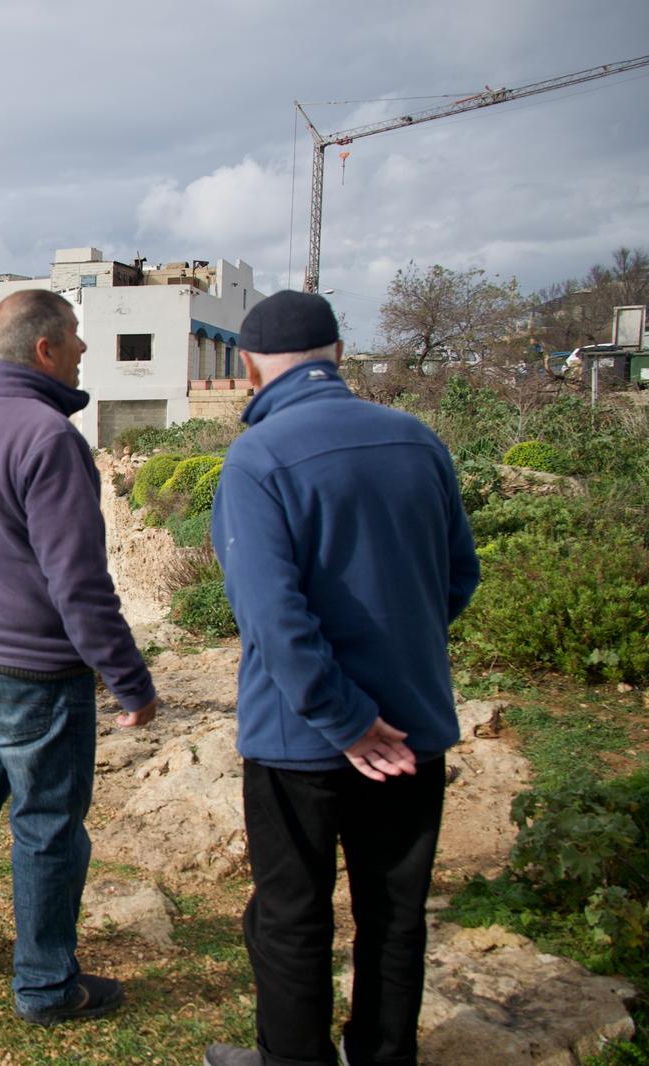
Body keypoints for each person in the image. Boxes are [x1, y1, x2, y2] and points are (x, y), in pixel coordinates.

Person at [202, 291, 480, 1066]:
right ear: (338, 355)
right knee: (395, 913)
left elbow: (270, 616)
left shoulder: (257, 458)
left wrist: (346, 715)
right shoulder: (418, 440)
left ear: (249, 367)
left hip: (300, 738)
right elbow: (457, 576)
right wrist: (393, 672)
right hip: (412, 730)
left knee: (293, 914)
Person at [0, 287, 161, 1026]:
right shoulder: (51, 438)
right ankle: (46, 987)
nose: (86, 349)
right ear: (47, 349)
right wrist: (131, 683)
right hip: (34, 674)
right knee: (47, 825)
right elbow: (80, 584)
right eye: (78, 337)